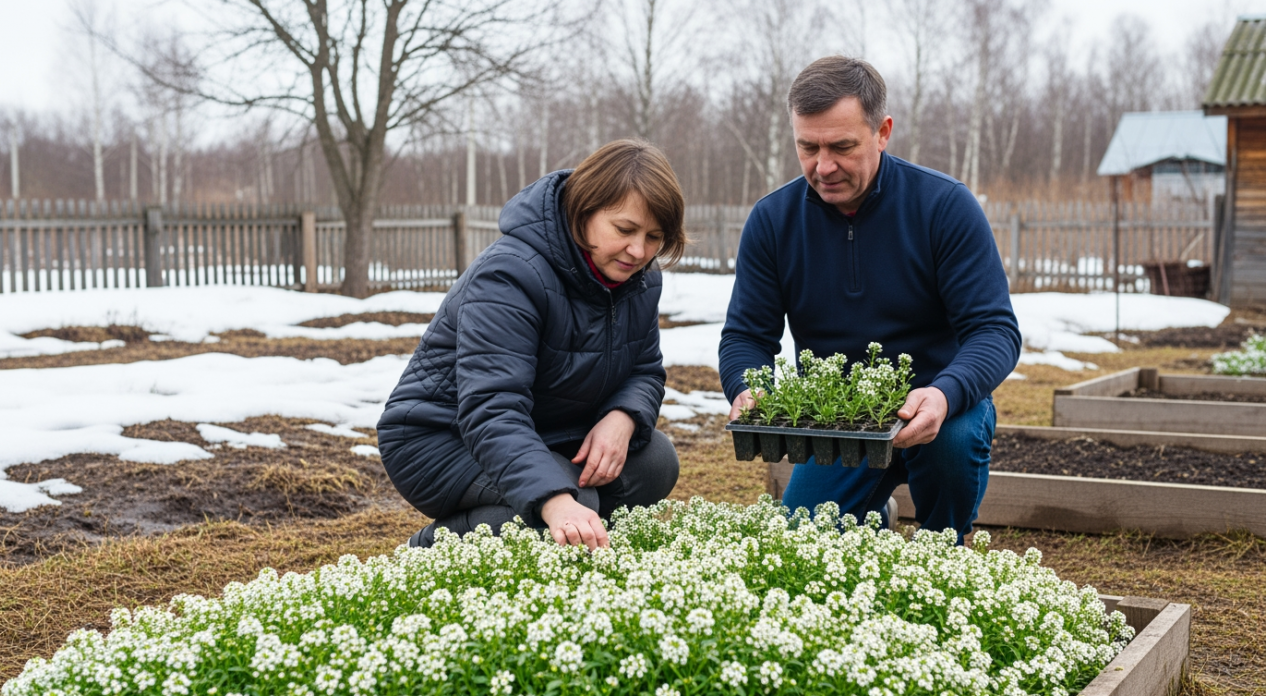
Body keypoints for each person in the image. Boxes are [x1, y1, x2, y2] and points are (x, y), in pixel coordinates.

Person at [718, 56, 1021, 540]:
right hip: (838, 424)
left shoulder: (943, 206)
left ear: (882, 132)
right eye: (807, 147)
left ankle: (943, 547)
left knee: (954, 442)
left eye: (842, 146)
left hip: (940, 409)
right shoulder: (773, 222)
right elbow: (746, 336)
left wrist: (945, 393)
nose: (824, 166)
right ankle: (873, 518)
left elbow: (995, 331)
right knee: (801, 540)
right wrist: (747, 387)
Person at [377, 140, 685, 551]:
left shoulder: (639, 278)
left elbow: (644, 369)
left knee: (655, 463)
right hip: (442, 439)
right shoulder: (509, 276)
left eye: (654, 237)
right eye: (625, 230)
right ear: (583, 210)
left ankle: (574, 538)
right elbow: (492, 407)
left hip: (546, 428)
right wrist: (556, 503)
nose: (638, 251)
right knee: (567, 499)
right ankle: (432, 549)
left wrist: (622, 417)